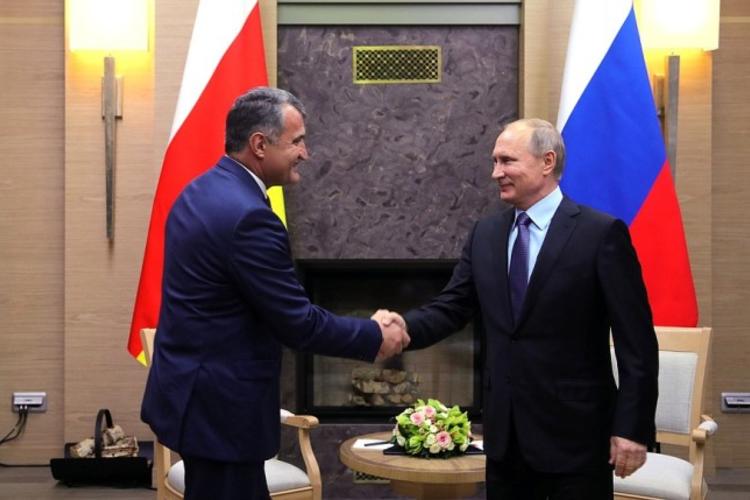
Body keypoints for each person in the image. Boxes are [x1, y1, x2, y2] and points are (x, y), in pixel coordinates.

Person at [141, 87, 409, 500]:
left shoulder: (199, 191)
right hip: (222, 413)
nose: (306, 153)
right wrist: (374, 335)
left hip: (194, 398)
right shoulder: (248, 217)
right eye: (297, 141)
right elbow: (297, 323)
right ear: (260, 145)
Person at [376, 118, 658, 499]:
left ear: (547, 162)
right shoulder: (486, 234)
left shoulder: (600, 234)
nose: (496, 172)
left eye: (507, 161)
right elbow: (451, 308)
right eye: (494, 161)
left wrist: (632, 428)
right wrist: (401, 327)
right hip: (506, 440)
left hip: (576, 438)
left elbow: (636, 343)